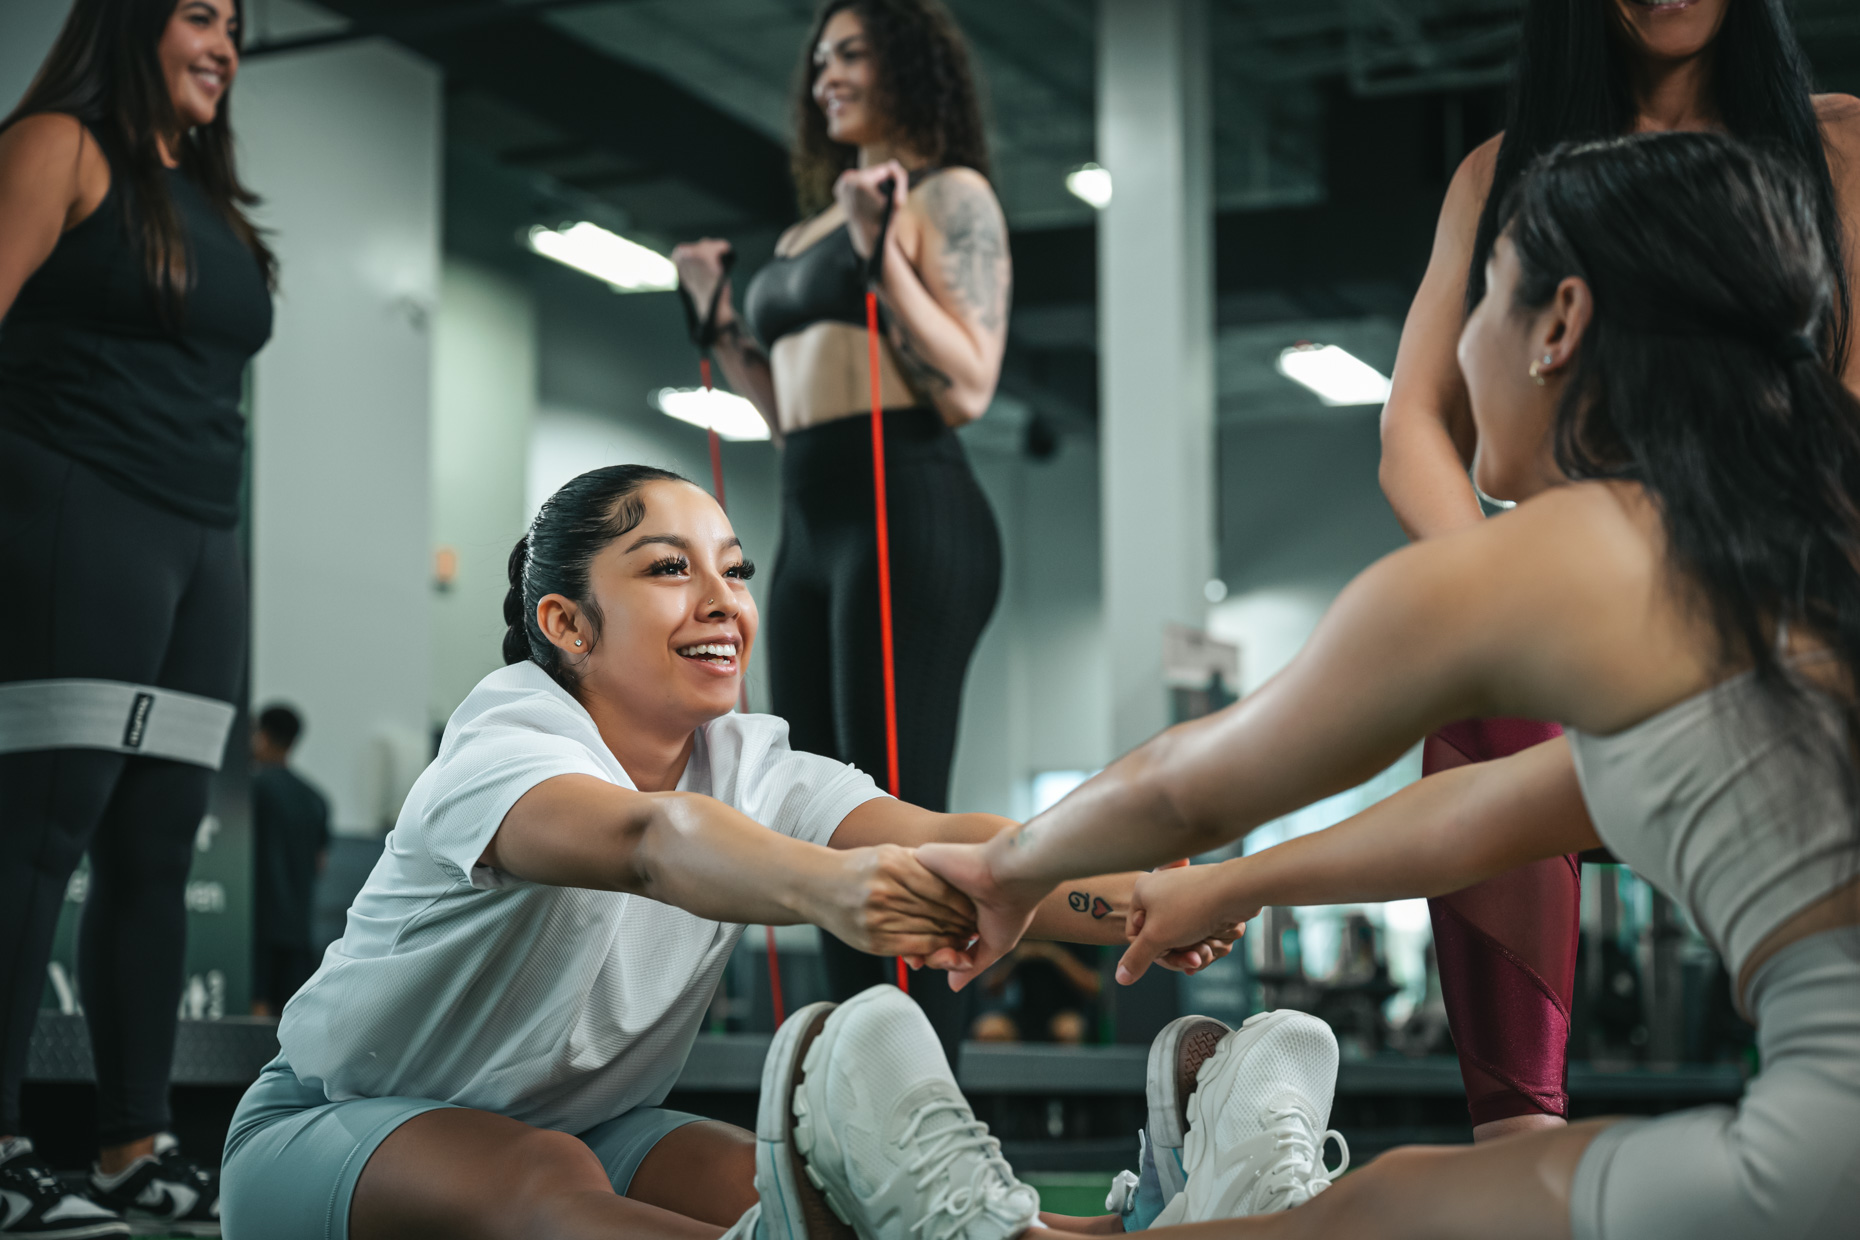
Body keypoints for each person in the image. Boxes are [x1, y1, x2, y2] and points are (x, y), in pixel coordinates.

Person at [897, 132, 1860, 1238]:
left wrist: (1008, 871)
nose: (1456, 350)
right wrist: (1232, 889)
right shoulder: (1794, 537)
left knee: (1376, 1214)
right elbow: (1487, 813)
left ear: (1560, 323)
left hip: (1827, 1159)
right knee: (1403, 1193)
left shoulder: (1568, 553)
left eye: (1483, 297)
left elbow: (1188, 786)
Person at [217, 465, 1238, 1240]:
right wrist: (831, 885)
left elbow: (969, 846)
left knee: (820, 1190)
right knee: (539, 1183)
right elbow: (651, 842)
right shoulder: (506, 746)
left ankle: (1135, 1226)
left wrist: (1154, 894)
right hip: (332, 1128)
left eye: (734, 570)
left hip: (594, 1132)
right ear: (566, 622)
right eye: (670, 568)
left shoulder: (750, 760)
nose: (724, 601)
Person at [1373, 0, 1860, 1140]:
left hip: (1776, 603)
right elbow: (1413, 425)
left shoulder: (1837, 146)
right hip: (1574, 625)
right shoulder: (1502, 176)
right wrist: (1500, 592)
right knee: (1478, 680)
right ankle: (1515, 1134)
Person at [671, 0, 1011, 1065]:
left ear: (909, 65)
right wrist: (724, 325)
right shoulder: (810, 225)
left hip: (911, 504)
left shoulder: (946, 197)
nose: (827, 74)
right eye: (820, 58)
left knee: (898, 818)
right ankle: (849, 1095)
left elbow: (968, 384)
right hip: (813, 517)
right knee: (812, 817)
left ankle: (930, 1104)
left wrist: (884, 252)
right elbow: (786, 414)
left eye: (851, 52)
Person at [0, 2, 273, 1236]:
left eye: (235, 22)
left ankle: (131, 1141)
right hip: (74, 502)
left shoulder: (207, 194)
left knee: (161, 842)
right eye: (201, 14)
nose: (225, 42)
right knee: (36, 831)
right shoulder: (60, 144)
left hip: (205, 537)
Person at [249, 705, 330, 1018]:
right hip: (298, 928)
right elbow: (319, 862)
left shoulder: (250, 791)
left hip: (255, 928)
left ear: (263, 737)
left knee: (252, 1021)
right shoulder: (315, 799)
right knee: (290, 1022)